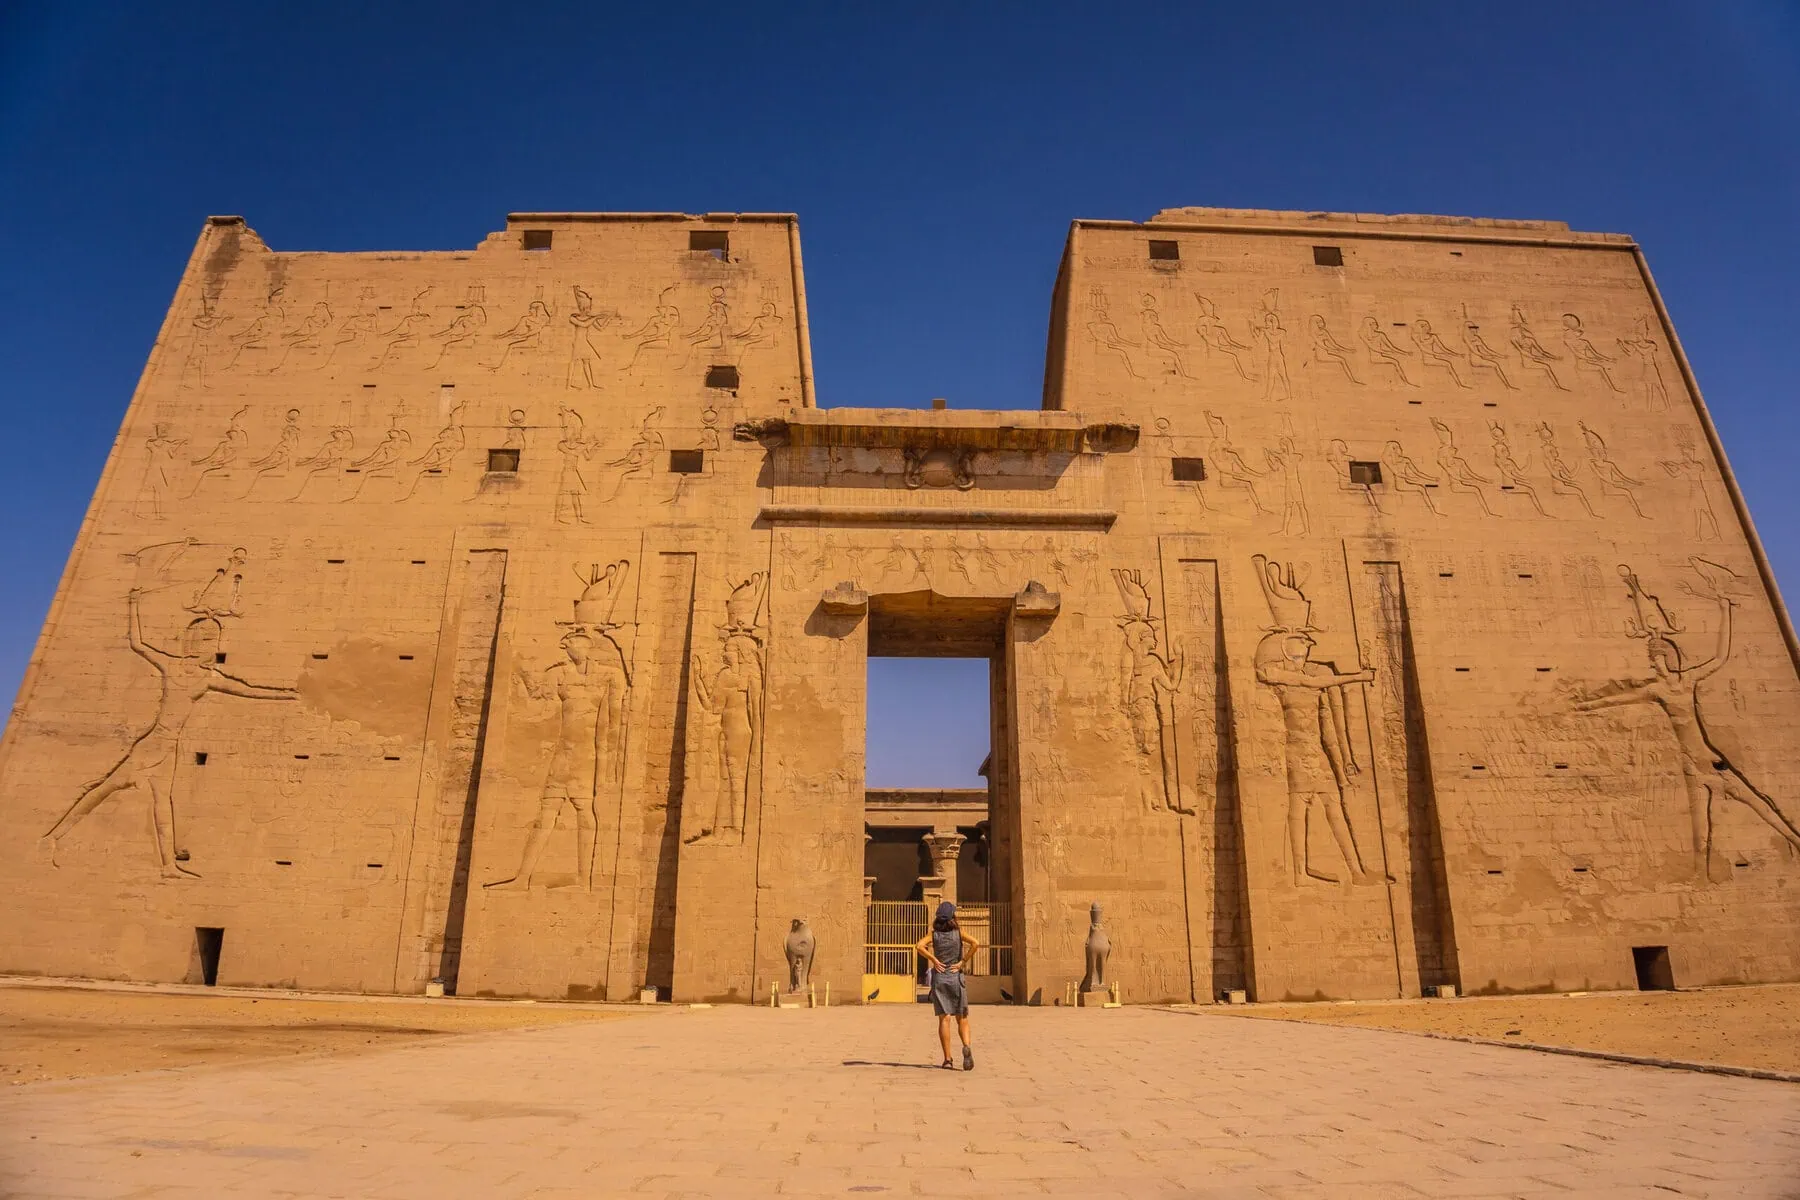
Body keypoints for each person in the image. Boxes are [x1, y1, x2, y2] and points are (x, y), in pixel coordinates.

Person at [915, 901, 978, 1071]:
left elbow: (919, 946)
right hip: (956, 977)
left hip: (941, 978)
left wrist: (934, 960)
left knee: (945, 1018)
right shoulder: (959, 934)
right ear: (952, 917)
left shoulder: (934, 935)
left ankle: (948, 1059)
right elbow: (976, 943)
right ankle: (966, 1045)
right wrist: (963, 961)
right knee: (962, 1017)